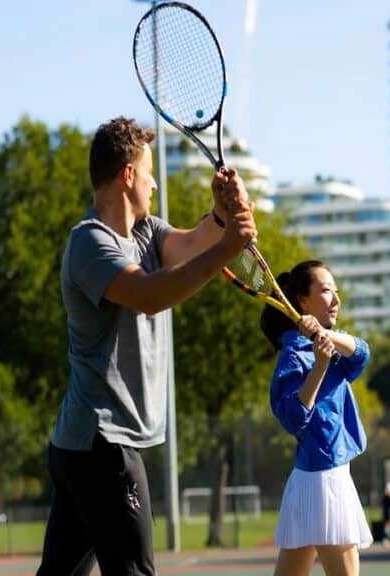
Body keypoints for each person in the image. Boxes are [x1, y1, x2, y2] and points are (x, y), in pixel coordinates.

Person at [37, 117, 257, 576]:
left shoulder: (147, 232)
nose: (155, 184)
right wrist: (227, 249)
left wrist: (222, 216)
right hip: (102, 442)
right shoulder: (89, 242)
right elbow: (151, 296)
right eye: (149, 172)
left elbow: (194, 244)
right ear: (128, 175)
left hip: (84, 444)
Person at [262, 260, 373, 576]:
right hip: (323, 482)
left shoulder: (328, 343)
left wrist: (324, 335)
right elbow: (293, 418)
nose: (336, 300)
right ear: (302, 301)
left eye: (336, 292)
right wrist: (320, 366)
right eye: (326, 291)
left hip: (324, 477)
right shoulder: (294, 357)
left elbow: (362, 353)